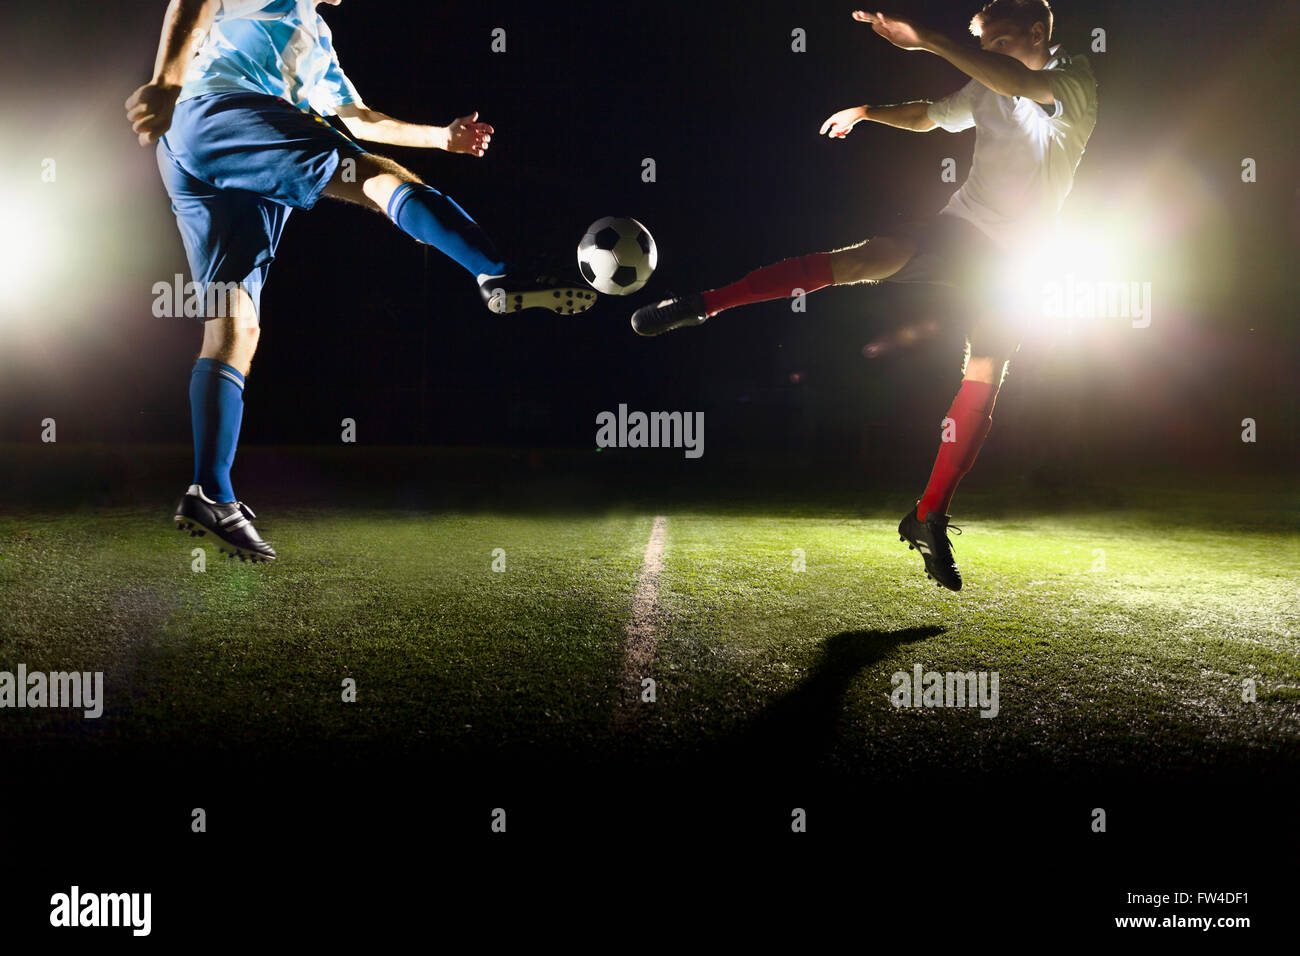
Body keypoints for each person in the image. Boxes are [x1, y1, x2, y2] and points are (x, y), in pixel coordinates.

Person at [630, 2, 1097, 591]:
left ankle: (929, 516)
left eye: (998, 43)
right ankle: (703, 304)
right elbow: (932, 116)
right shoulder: (988, 82)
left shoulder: (1073, 83)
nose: (988, 56)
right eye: (984, 46)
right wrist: (868, 112)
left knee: (986, 370)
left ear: (1037, 34)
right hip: (961, 231)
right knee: (865, 259)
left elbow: (1020, 82)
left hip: (1017, 258)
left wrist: (926, 39)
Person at [126, 0, 596, 561]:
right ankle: (496, 273)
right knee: (373, 178)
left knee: (236, 328)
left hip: (213, 158)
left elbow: (360, 117)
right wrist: (165, 81)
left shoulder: (318, 43)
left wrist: (441, 139)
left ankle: (210, 492)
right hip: (221, 114)